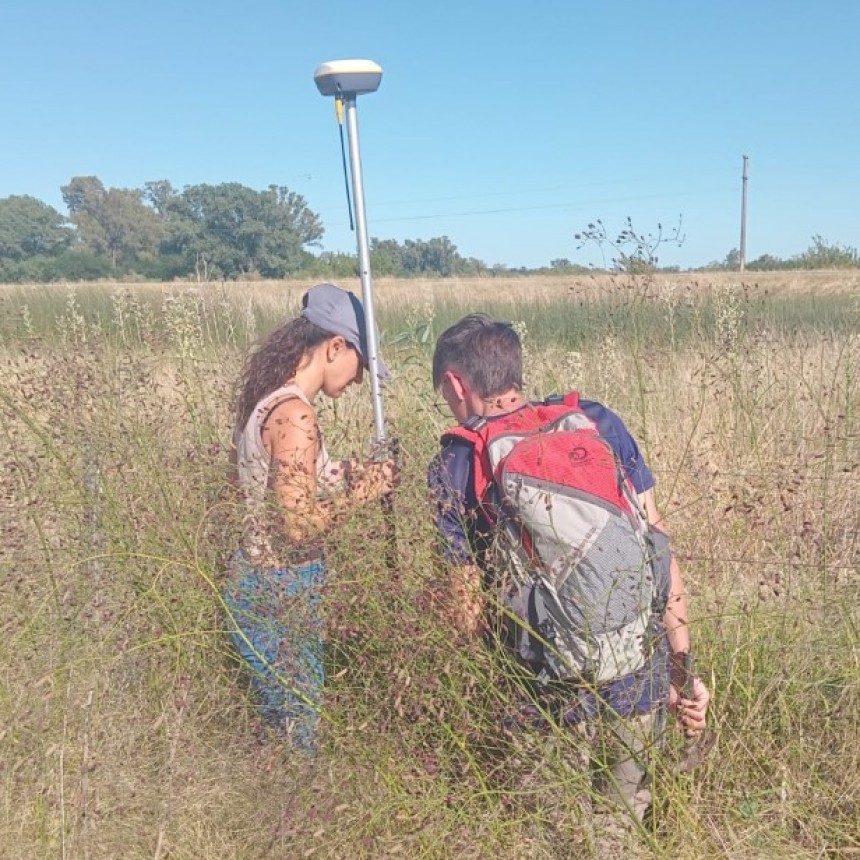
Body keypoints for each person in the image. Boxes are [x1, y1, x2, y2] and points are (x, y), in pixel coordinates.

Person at [427, 313, 710, 825]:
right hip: (638, 673)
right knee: (622, 824)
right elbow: (657, 545)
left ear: (456, 383)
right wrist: (682, 669)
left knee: (553, 832)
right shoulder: (597, 421)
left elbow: (465, 612)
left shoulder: (458, 461)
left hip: (543, 691)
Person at [224, 283, 397, 751]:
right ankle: (293, 794)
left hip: (260, 577)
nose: (359, 381)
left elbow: (268, 488)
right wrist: (363, 493)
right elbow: (296, 525)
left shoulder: (271, 400)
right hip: (279, 585)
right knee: (297, 723)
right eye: (361, 364)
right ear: (335, 347)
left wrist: (341, 473)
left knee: (281, 721)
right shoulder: (296, 416)